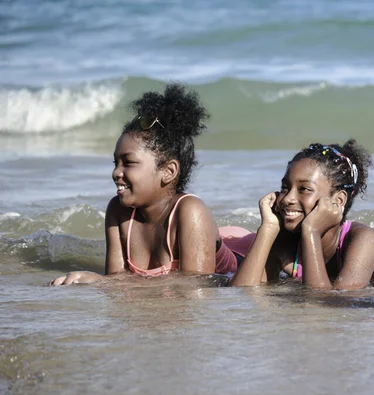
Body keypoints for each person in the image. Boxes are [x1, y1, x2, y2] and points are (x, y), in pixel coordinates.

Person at [51, 84, 254, 285]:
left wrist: (101, 282)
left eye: (128, 163)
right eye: (116, 163)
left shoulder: (191, 211)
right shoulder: (118, 211)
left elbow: (196, 287)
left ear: (168, 171)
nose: (116, 173)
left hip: (242, 256)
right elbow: (116, 279)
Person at [230, 140, 374, 290]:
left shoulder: (364, 241)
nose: (287, 199)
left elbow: (323, 306)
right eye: (285, 187)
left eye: (304, 189)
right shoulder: (285, 241)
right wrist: (267, 228)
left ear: (338, 200)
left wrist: (311, 231)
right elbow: (242, 295)